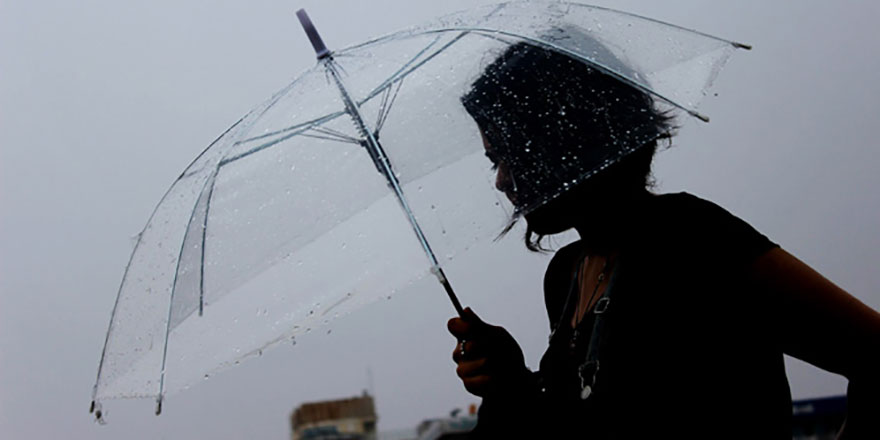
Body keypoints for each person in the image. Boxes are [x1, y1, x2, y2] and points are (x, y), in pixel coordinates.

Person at [447, 40, 880, 438]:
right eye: (493, 161)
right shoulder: (566, 274)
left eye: (511, 154)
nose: (502, 180)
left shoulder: (693, 237)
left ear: (569, 137)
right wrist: (511, 382)